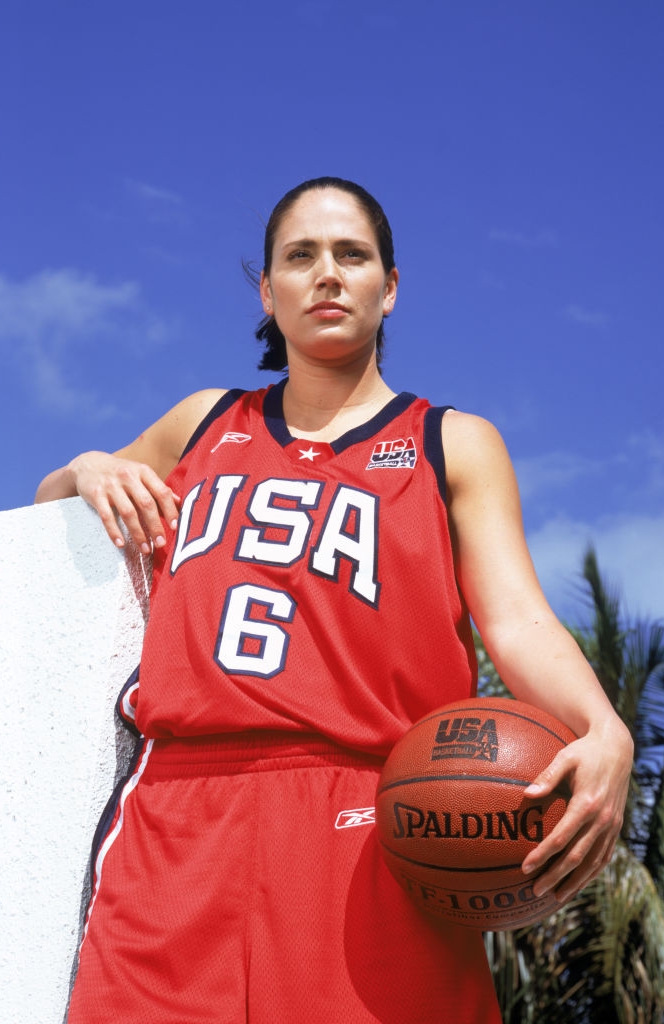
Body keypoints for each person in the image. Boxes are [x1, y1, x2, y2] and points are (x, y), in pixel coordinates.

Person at [36, 177, 633, 1024]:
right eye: (300, 256)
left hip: (376, 817)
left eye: (352, 255)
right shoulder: (201, 423)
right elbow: (47, 516)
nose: (326, 273)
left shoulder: (452, 444)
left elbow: (515, 617)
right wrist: (85, 466)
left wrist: (603, 726)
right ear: (267, 290)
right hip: (179, 811)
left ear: (390, 288)